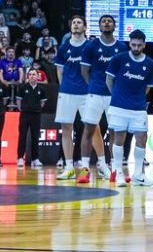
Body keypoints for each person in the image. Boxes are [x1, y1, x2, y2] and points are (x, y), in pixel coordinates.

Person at [106, 29, 153, 186]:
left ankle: (138, 175)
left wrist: (137, 97)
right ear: (129, 43)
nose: (136, 48)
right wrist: (117, 96)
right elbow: (109, 81)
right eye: (133, 45)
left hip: (139, 108)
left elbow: (148, 87)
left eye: (139, 45)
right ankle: (119, 173)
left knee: (141, 138)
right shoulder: (118, 59)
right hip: (118, 107)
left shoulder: (150, 64)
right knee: (119, 139)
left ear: (144, 45)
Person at [78, 14, 126, 182]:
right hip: (95, 94)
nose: (106, 23)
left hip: (114, 96)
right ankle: (84, 169)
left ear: (114, 25)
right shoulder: (91, 47)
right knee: (88, 130)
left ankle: (115, 170)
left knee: (114, 132)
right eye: (103, 21)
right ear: (99, 26)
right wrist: (93, 87)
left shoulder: (121, 47)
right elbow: (85, 72)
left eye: (109, 21)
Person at [55, 16, 90, 180]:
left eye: (79, 23)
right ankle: (68, 167)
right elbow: (59, 71)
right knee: (66, 129)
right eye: (74, 22)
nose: (76, 25)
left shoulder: (90, 46)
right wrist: (64, 87)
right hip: (67, 92)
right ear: (71, 27)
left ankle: (87, 166)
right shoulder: (63, 48)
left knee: (90, 129)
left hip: (86, 93)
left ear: (85, 27)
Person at [17, 69, 48, 168]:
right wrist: (23, 109)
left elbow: (42, 103)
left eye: (34, 74)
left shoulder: (41, 89)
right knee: (22, 136)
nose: (31, 76)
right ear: (27, 76)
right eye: (30, 74)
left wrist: (36, 108)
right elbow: (18, 102)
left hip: (36, 115)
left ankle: (35, 159)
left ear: (37, 76)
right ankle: (20, 158)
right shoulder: (22, 87)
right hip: (25, 114)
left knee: (35, 137)